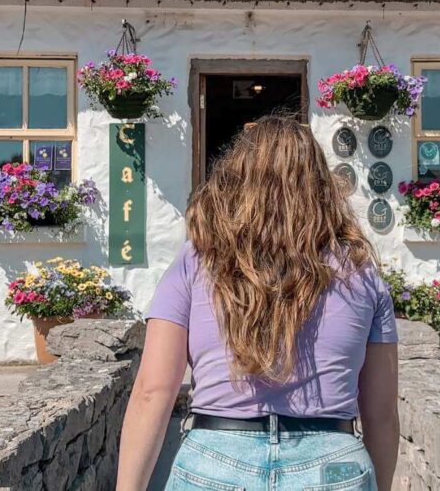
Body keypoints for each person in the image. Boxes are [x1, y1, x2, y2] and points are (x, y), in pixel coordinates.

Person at [117, 115, 400, 490]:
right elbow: (381, 414)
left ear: (236, 179)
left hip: (214, 462)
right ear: (320, 183)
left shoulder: (197, 261)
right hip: (332, 464)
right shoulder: (361, 273)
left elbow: (153, 393)